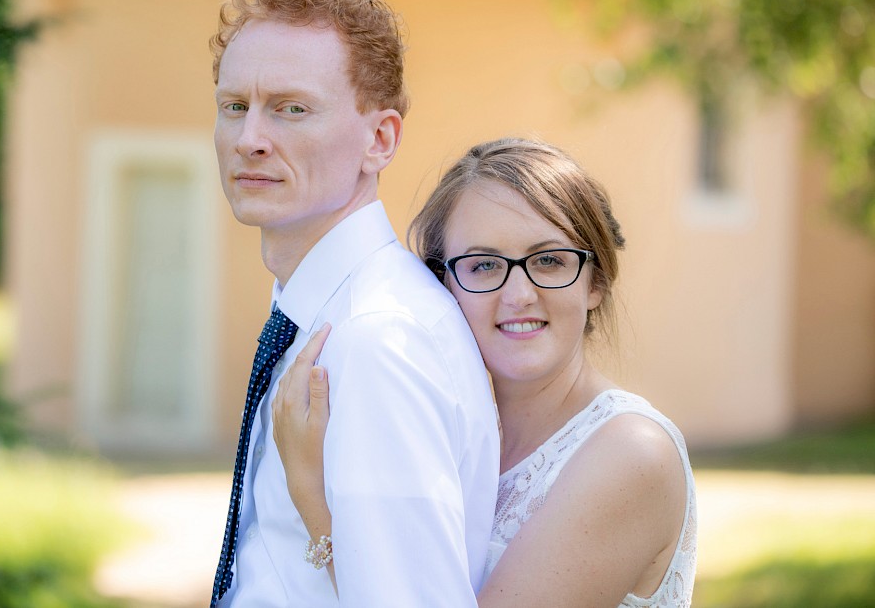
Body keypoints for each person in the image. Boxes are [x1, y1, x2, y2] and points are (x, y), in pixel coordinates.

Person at [273, 137, 698, 607]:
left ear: (595, 281)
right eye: (483, 265)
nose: (518, 294)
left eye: (548, 260)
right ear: (443, 286)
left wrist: (313, 502)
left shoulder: (631, 454)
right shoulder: (447, 430)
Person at [208, 0, 501, 608]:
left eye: (291, 109)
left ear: (380, 139)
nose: (250, 139)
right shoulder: (318, 313)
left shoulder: (377, 342)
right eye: (235, 106)